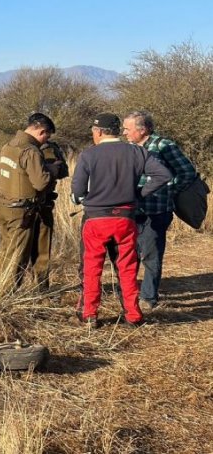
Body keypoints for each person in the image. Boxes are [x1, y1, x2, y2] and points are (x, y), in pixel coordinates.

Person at [71, 113, 172, 327]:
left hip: (95, 219)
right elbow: (163, 175)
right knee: (127, 266)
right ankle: (133, 315)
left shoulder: (89, 155)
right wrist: (138, 194)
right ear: (117, 131)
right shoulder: (137, 151)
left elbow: (78, 191)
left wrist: (82, 197)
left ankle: (89, 314)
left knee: (92, 267)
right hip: (126, 218)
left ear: (98, 132)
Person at [121, 110, 198, 311]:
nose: (124, 133)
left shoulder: (164, 145)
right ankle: (129, 296)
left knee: (151, 254)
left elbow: (187, 172)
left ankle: (148, 297)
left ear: (143, 129)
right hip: (132, 210)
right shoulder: (129, 148)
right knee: (131, 254)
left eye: (127, 129)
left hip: (156, 210)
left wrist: (170, 190)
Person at [0, 113, 62, 289]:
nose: (45, 140)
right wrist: (51, 171)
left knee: (6, 251)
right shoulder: (30, 151)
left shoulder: (8, 146)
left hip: (5, 206)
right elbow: (41, 183)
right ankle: (7, 294)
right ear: (42, 131)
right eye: (47, 136)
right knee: (18, 254)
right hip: (21, 210)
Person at [30, 137, 69, 289]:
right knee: (20, 249)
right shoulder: (22, 148)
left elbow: (63, 171)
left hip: (45, 202)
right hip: (24, 203)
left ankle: (42, 286)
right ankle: (13, 287)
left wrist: (52, 169)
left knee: (42, 249)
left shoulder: (51, 148)